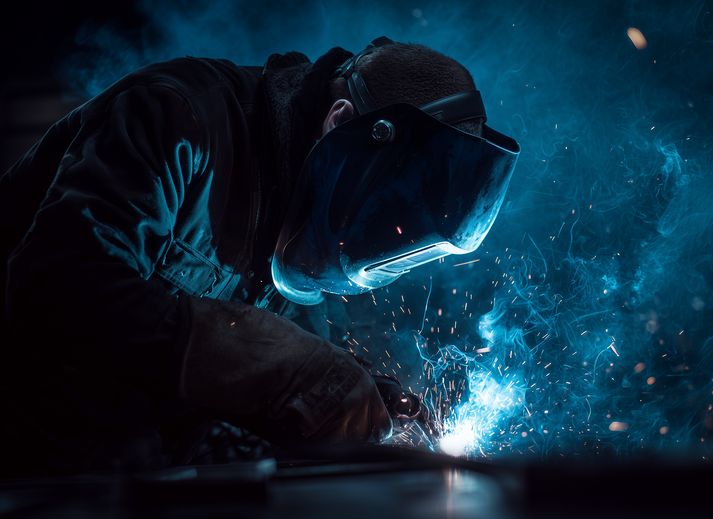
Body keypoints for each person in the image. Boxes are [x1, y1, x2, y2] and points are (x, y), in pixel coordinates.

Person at [0, 37, 519, 474]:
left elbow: (302, 355)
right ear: (339, 125)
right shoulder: (178, 116)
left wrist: (374, 396)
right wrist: (271, 366)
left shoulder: (302, 217)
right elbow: (58, 285)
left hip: (108, 475)